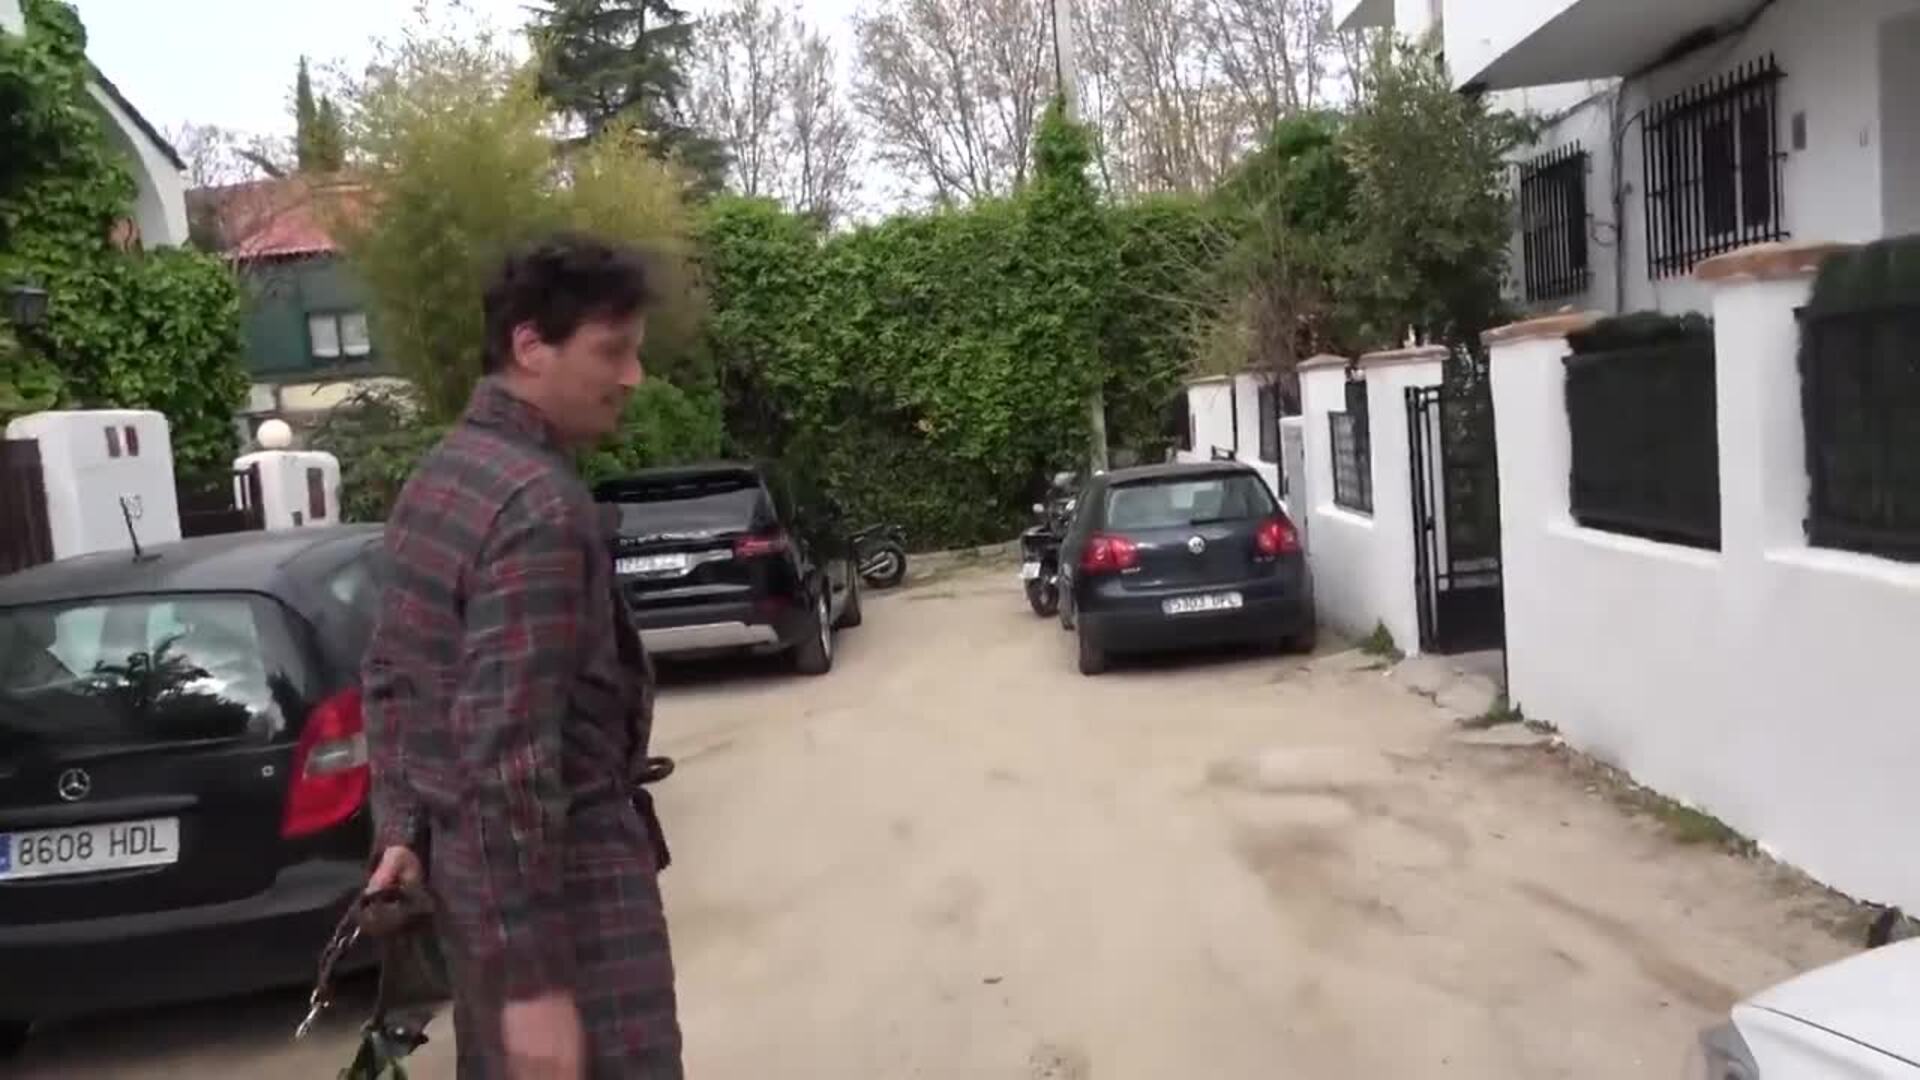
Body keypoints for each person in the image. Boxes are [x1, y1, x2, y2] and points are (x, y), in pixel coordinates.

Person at [361, 234, 680, 1079]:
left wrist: (403, 829)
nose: (632, 377)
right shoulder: (538, 506)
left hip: (476, 895)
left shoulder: (442, 476)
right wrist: (535, 982)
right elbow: (509, 757)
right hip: (571, 902)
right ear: (531, 346)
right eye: (611, 351)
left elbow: (394, 678)